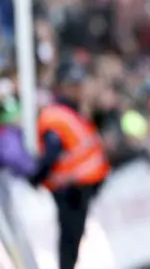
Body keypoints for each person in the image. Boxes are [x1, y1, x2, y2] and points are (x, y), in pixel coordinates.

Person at [27, 61, 111, 269]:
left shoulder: (72, 112)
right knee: (70, 240)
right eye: (74, 85)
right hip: (69, 189)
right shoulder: (57, 116)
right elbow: (52, 152)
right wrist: (37, 178)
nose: (79, 89)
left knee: (74, 238)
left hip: (79, 187)